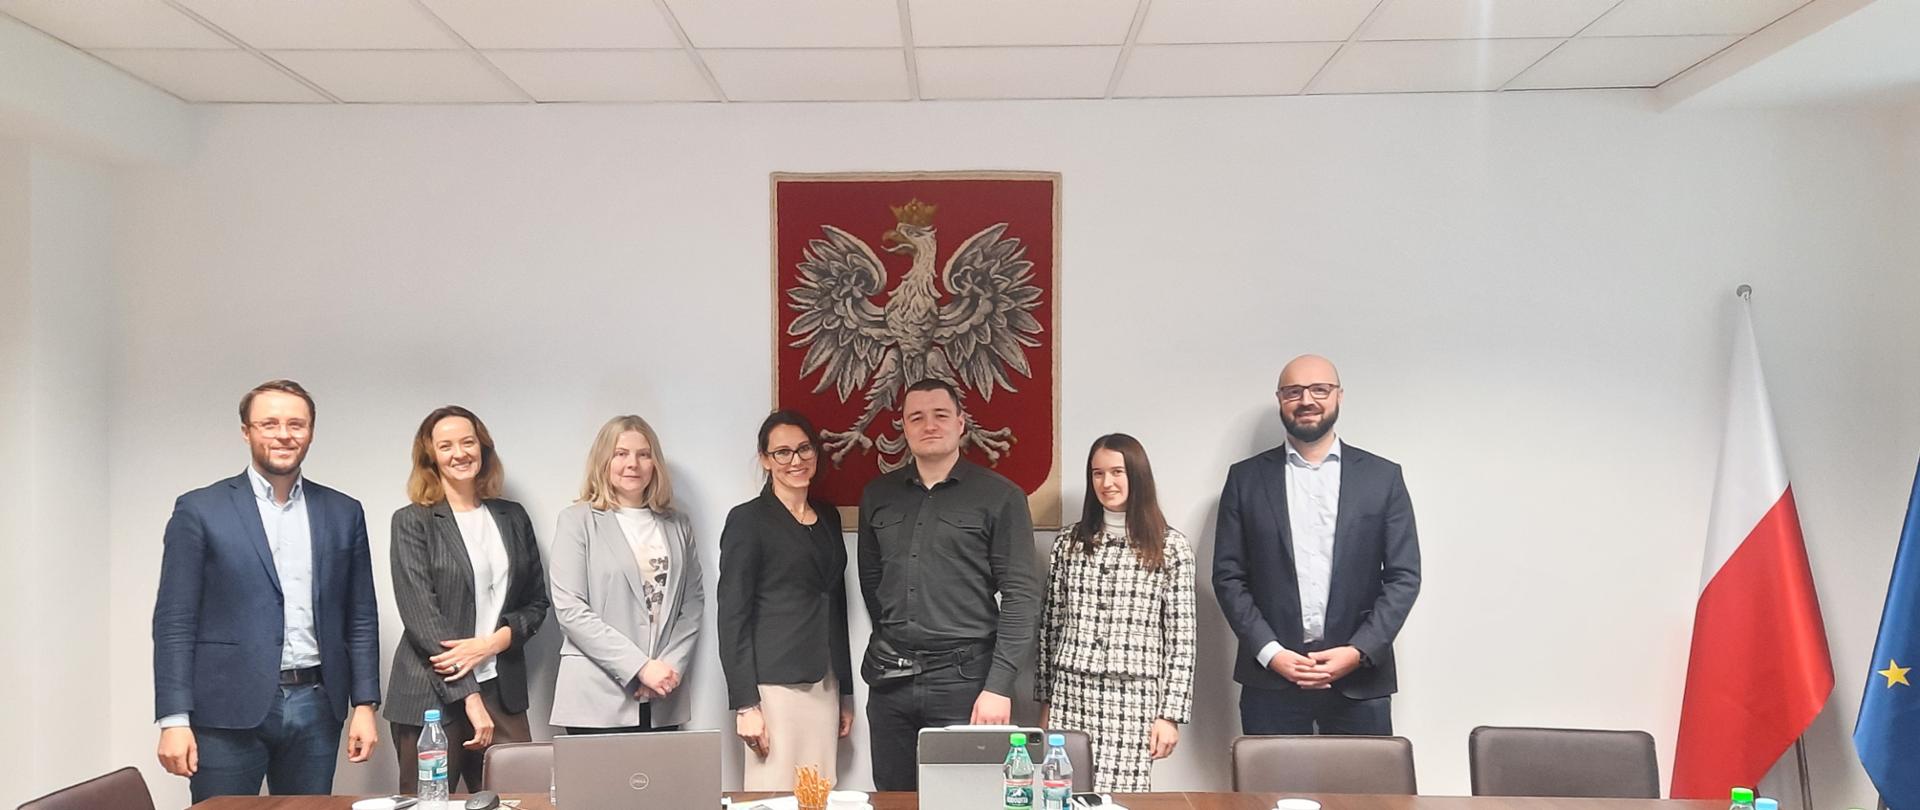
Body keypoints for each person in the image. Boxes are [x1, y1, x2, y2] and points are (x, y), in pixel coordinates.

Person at [152, 379, 381, 802]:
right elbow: (175, 621)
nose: (283, 435)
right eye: (269, 424)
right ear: (246, 431)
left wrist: (364, 705)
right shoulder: (200, 509)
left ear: (311, 431)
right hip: (225, 709)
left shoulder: (343, 511)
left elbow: (361, 615)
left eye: (296, 424)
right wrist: (173, 718)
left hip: (317, 705)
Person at [1213, 355, 1422, 736]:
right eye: (1294, 391)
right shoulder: (1245, 479)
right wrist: (1271, 653)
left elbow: (1404, 576)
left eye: (1319, 390)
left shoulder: (1383, 477)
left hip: (1360, 681)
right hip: (1271, 679)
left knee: (1365, 780)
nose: (1306, 400)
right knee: (1265, 780)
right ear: (1280, 399)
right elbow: (1228, 577)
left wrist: (1358, 651)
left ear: (1339, 395)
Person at [858, 378, 1042, 790]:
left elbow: (1020, 597)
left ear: (961, 423)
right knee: (893, 797)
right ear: (903, 427)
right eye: (916, 417)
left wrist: (998, 686)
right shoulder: (877, 495)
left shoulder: (1001, 497)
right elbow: (873, 582)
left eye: (940, 415)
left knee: (967, 797)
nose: (929, 425)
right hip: (890, 680)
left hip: (967, 682)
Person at [385, 406, 549, 793]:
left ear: (483, 448)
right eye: (446, 446)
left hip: (502, 690)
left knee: (516, 800)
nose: (459, 453)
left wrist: (491, 644)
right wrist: (470, 697)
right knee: (428, 805)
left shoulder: (513, 516)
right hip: (430, 694)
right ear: (430, 456)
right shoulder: (412, 521)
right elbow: (423, 618)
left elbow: (536, 603)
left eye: (468, 442)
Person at [1035, 434, 1195, 792]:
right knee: (1062, 792)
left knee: (1123, 798)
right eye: (1098, 473)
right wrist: (1046, 702)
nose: (1107, 483)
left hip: (1134, 697)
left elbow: (1182, 640)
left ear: (1136, 475)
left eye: (1117, 472)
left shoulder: (1170, 547)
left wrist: (1169, 715)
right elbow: (1050, 627)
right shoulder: (1069, 543)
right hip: (1071, 692)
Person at [717, 410, 855, 790]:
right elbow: (732, 616)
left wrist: (845, 690)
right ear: (765, 459)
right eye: (782, 452)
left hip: (824, 682)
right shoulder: (747, 520)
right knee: (773, 794)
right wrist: (746, 704)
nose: (796, 460)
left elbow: (836, 603)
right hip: (773, 687)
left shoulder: (828, 517)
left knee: (820, 792)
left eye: (804, 449)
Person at [549, 414, 704, 734]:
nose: (632, 464)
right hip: (596, 698)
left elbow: (692, 604)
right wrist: (639, 668)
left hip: (663, 695)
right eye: (620, 454)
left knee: (664, 771)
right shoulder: (577, 522)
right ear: (603, 461)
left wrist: (669, 667)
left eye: (643, 454)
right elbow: (571, 610)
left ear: (655, 463)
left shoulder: (678, 524)